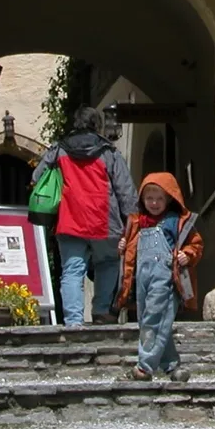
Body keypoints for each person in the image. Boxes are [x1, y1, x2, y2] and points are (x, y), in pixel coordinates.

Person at [31, 106, 137, 326]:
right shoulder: (108, 152)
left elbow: (36, 176)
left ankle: (73, 321)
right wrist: (131, 217)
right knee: (107, 263)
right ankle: (100, 312)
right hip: (104, 220)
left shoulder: (59, 150)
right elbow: (125, 189)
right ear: (96, 125)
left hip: (69, 219)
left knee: (72, 270)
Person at [115, 172, 204, 381]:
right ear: (142, 200)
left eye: (159, 198)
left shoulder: (176, 221)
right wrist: (123, 246)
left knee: (154, 320)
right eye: (149, 198)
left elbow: (196, 244)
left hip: (165, 279)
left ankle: (144, 367)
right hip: (143, 280)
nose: (154, 203)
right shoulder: (137, 222)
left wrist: (187, 255)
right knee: (150, 320)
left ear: (169, 199)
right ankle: (173, 367)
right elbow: (131, 250)